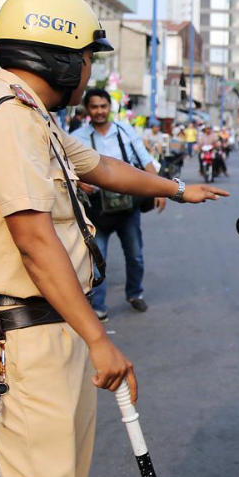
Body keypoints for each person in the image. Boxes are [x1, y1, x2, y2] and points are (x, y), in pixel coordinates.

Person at [0, 0, 228, 477]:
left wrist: (179, 188)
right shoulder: (6, 116)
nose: (89, 71)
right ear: (56, 57)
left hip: (54, 322)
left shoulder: (29, 113)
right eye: (87, 58)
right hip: (26, 331)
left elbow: (102, 165)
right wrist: (100, 340)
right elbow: (33, 239)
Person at [71, 89, 166, 321]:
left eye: (103, 106)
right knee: (97, 259)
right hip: (96, 210)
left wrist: (162, 189)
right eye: (94, 107)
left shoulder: (125, 131)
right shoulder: (76, 136)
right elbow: (64, 168)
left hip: (127, 207)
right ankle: (99, 307)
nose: (100, 111)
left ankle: (134, 294)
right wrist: (79, 181)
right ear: (87, 109)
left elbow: (145, 160)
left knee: (135, 255)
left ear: (109, 107)